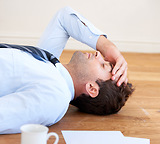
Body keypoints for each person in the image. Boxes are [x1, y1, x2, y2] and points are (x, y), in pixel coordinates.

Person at [0, 6, 133, 134]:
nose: (99, 54)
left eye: (103, 65)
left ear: (92, 88)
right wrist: (108, 46)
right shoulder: (50, 63)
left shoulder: (55, 97)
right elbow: (64, 17)